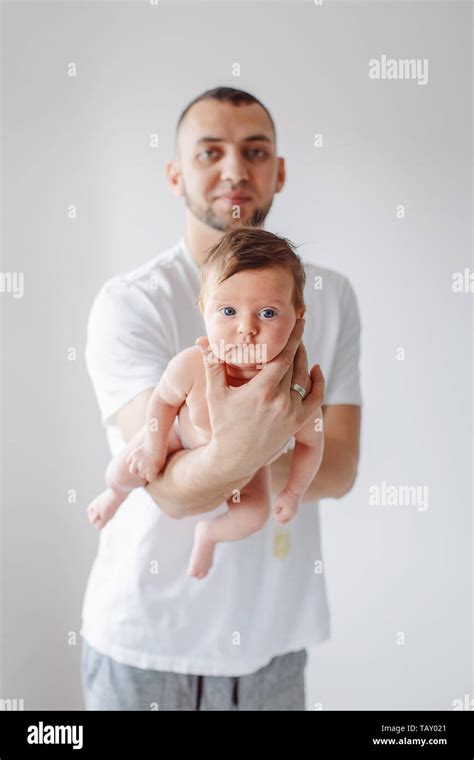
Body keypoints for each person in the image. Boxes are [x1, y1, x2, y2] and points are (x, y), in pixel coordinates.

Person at [81, 86, 362, 711]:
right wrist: (259, 444)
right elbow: (170, 490)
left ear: (279, 171)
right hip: (148, 646)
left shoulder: (333, 298)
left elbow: (338, 468)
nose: (235, 169)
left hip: (274, 644)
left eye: (255, 151)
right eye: (210, 152)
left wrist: (246, 458)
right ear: (177, 173)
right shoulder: (132, 302)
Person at [86, 227, 325, 580]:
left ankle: (209, 535)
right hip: (179, 437)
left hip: (253, 466)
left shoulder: (292, 396)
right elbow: (163, 404)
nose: (246, 328)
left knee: (254, 516)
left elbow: (312, 444)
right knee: (122, 469)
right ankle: (114, 496)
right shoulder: (193, 365)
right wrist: (154, 448)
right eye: (228, 310)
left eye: (269, 313)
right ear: (203, 309)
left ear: (298, 316)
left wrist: (293, 491)